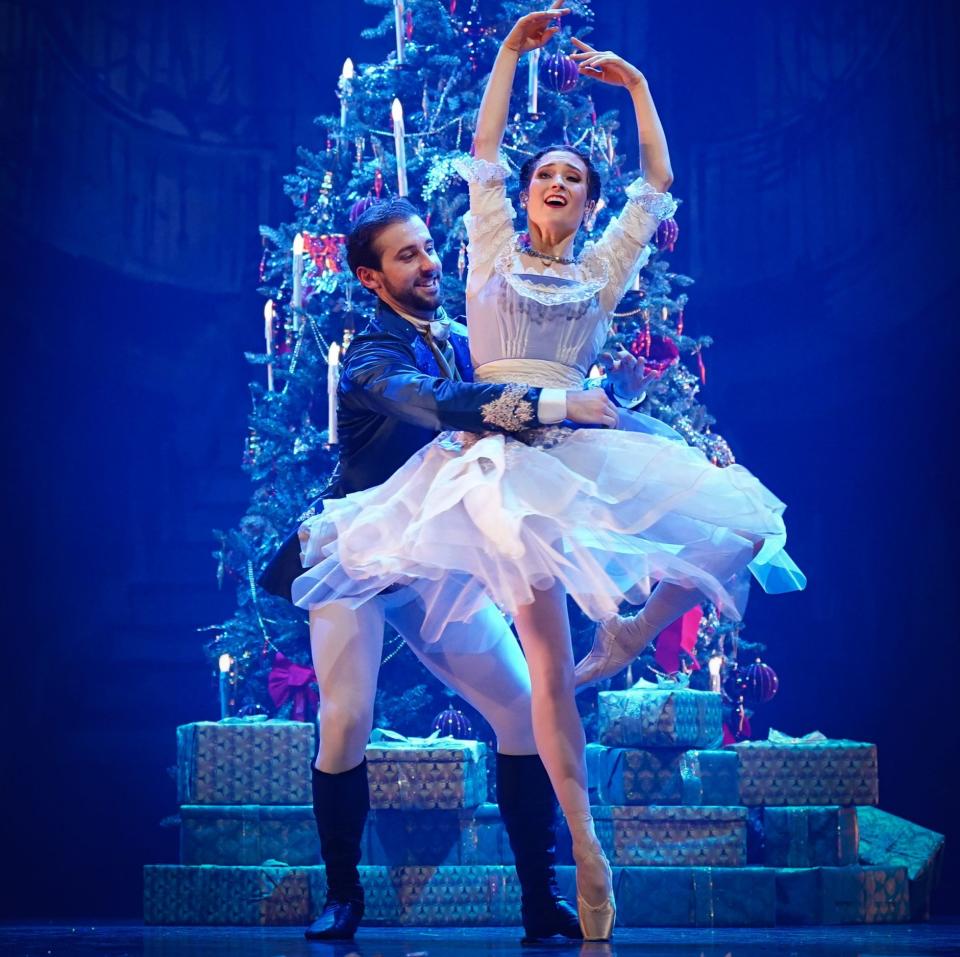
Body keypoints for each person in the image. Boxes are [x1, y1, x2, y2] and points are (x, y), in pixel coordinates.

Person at [293, 3, 804, 941]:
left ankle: (556, 856)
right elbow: (483, 160)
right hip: (427, 506)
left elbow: (655, 188)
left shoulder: (555, 287)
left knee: (720, 548)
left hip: (531, 475)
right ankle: (373, 891)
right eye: (547, 174)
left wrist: (641, 88)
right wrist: (508, 54)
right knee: (361, 713)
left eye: (573, 174)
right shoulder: (427, 306)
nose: (559, 180)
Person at [260, 195, 648, 942]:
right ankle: (344, 895)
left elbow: (524, 379)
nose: (429, 261)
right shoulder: (375, 357)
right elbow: (438, 402)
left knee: (521, 708)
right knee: (347, 719)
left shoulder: (464, 338)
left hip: (434, 551)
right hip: (361, 549)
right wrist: (554, 402)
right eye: (406, 255)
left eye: (429, 246)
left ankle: (540, 901)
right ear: (372, 280)